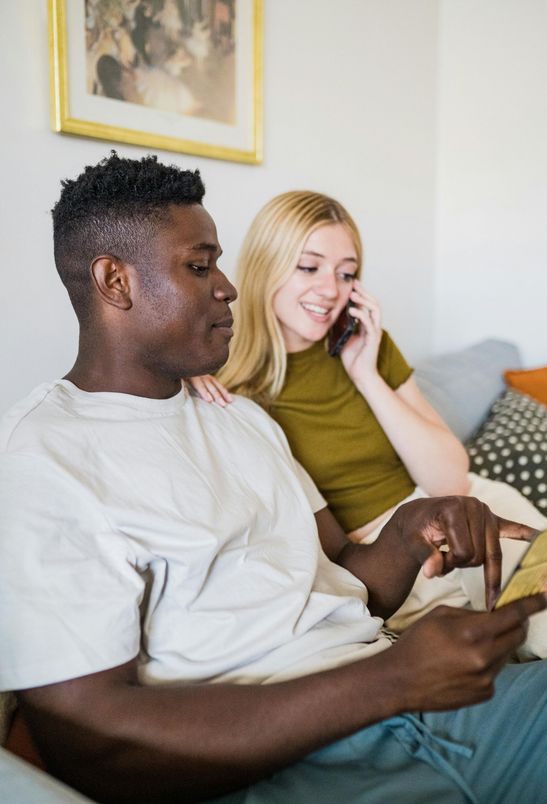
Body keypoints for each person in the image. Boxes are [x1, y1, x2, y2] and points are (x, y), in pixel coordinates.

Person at [1, 153, 546, 804]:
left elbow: (346, 576)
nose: (228, 287)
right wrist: (393, 680)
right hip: (323, 751)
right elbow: (85, 739)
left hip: (412, 695)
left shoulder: (241, 420)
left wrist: (413, 529)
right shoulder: (43, 459)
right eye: (199, 267)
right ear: (115, 281)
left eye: (218, 265)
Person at [189, 190, 547, 656]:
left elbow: (451, 478)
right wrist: (183, 376)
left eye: (346, 273)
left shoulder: (366, 346)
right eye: (308, 266)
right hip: (397, 559)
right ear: (266, 265)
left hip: (472, 507)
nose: (330, 289)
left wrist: (366, 374)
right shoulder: (225, 385)